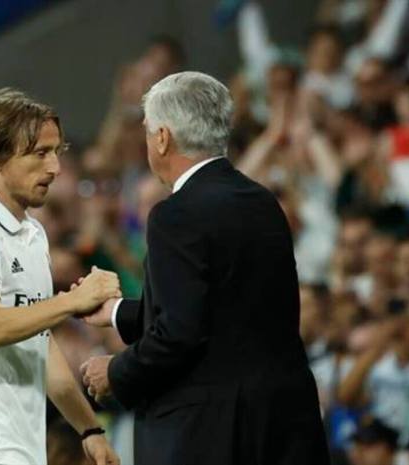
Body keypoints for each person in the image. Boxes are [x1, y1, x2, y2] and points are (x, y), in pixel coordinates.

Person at [80, 71, 329, 465]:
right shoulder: (261, 200)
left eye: (147, 131)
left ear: (162, 138)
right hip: (286, 426)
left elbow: (180, 334)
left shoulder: (174, 215)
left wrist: (116, 371)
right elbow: (224, 309)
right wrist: (115, 312)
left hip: (215, 436)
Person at [0, 88, 120, 465]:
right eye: (40, 154)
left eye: (57, 152)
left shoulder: (31, 235)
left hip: (21, 443)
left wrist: (90, 429)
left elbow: (40, 345)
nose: (54, 168)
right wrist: (73, 301)